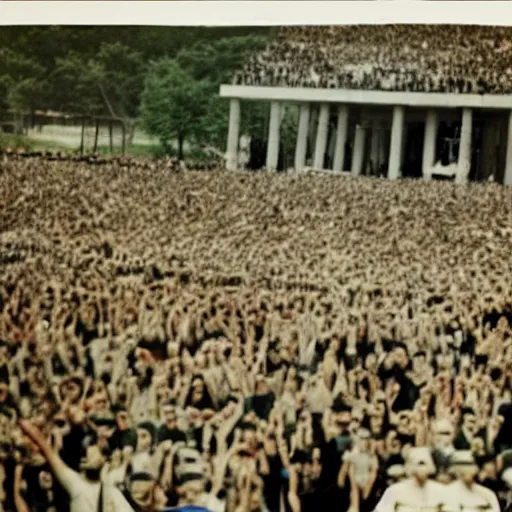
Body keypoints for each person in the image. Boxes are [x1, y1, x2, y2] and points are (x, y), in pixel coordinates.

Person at [18, 420, 134, 512]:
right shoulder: (78, 483)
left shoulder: (109, 487)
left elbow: (46, 448)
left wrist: (26, 426)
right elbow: (47, 449)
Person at [374, 447, 448, 512]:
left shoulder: (441, 490)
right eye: (418, 463)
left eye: (423, 463)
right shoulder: (393, 490)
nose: (421, 468)